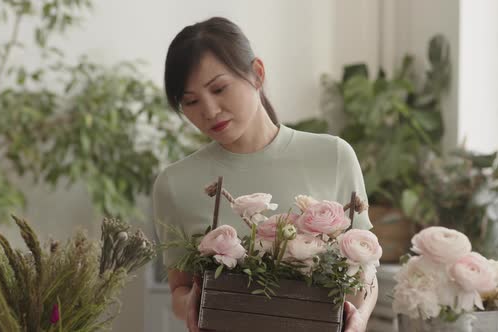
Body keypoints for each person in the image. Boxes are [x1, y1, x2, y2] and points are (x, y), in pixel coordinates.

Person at [153, 16, 378, 332]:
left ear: (257, 73)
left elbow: (366, 272)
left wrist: (360, 318)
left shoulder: (334, 156)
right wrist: (192, 303)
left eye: (219, 88)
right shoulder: (174, 184)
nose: (209, 110)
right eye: (190, 102)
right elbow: (178, 291)